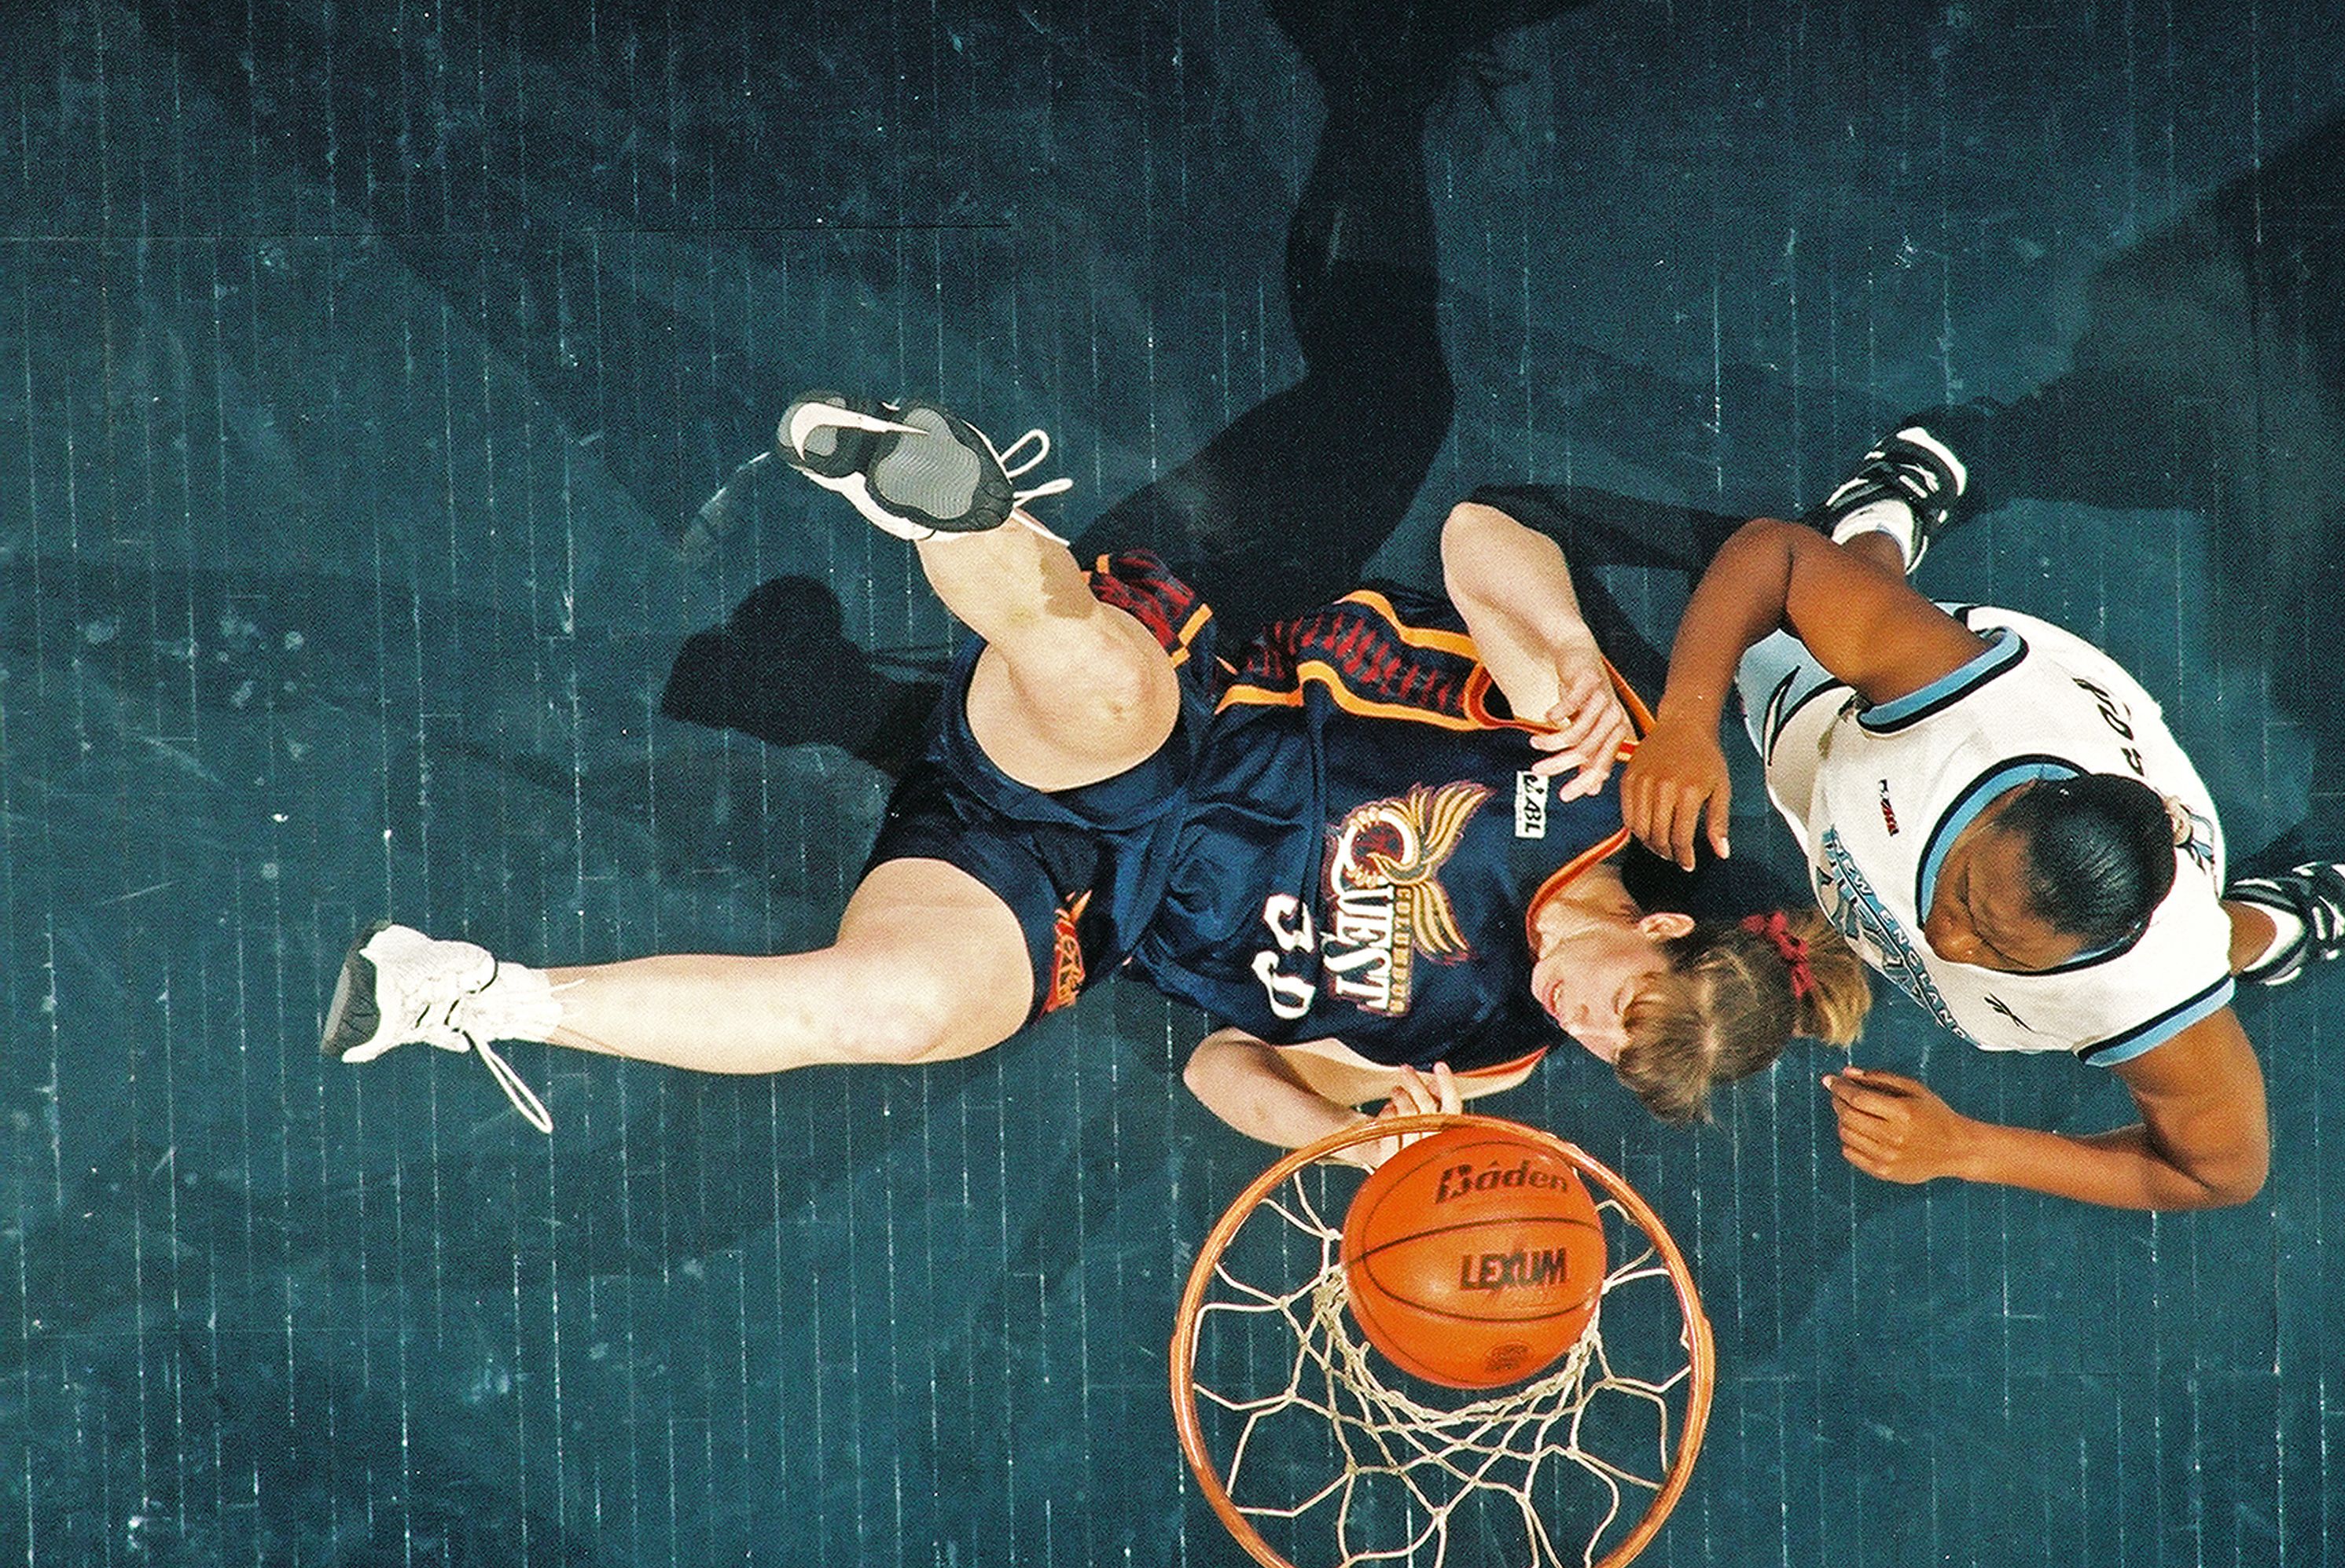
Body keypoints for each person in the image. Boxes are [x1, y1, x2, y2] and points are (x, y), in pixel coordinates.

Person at [322, 399, 1869, 1153]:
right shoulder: (1595, 774)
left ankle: (469, 994)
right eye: (1624, 1005)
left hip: (1069, 898)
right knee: (1096, 676)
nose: (1590, 1026)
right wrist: (1545, 658)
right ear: (1666, 931)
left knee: (894, 1017)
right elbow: (1484, 530)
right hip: (1175, 711)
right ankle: (943, 503)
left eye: (1612, 1053)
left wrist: (1335, 1130)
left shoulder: (1477, 1062)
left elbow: (1211, 1068)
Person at [1618, 420, 2345, 1213]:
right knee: (1796, 621)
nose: (1946, 940)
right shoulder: (1958, 705)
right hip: (1919, 718)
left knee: (2203, 947)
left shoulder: (2140, 983)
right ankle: (1880, 517)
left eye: (1999, 950)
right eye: (1968, 902)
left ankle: (2284, 922)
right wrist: (1684, 724)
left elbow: (2220, 1173)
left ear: (2097, 950)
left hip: (2149, 909)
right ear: (2006, 808)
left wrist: (1967, 1149)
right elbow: (1770, 555)